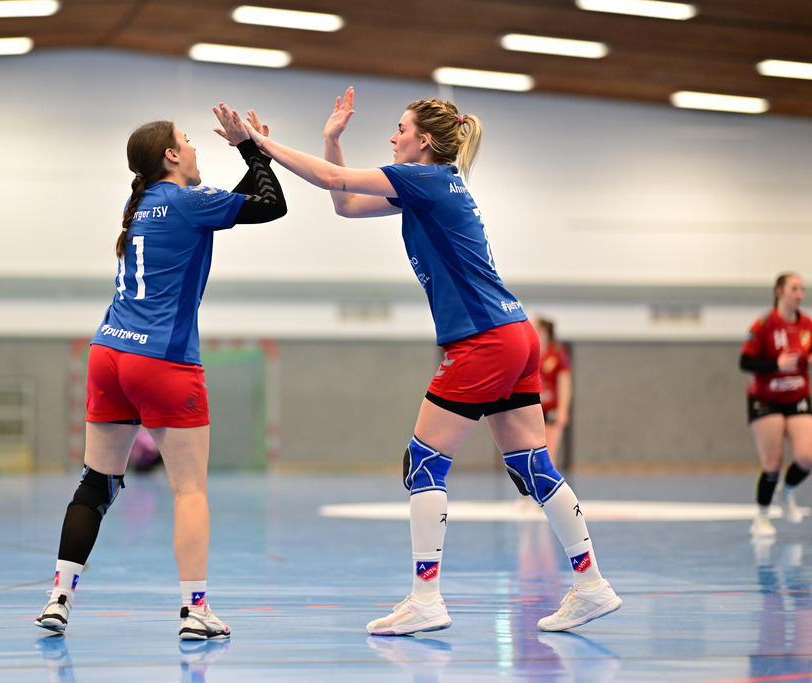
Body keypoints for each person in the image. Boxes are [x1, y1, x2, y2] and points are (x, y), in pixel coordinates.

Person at [233, 87, 620, 634]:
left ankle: (426, 598)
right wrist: (330, 138)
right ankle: (592, 586)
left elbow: (331, 181)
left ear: (426, 142)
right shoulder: (429, 186)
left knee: (424, 460)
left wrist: (261, 144)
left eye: (400, 129)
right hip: (514, 332)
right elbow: (344, 203)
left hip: (484, 339)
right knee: (531, 465)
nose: (392, 137)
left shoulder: (427, 179)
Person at [34, 104, 286, 640]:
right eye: (189, 140)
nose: (196, 148)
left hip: (108, 355)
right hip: (163, 360)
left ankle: (58, 597)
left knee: (96, 484)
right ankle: (195, 609)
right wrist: (252, 148)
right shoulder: (191, 203)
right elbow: (272, 205)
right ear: (171, 155)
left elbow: (238, 201)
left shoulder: (140, 201)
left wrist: (255, 154)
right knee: (189, 490)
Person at [740, 272, 812, 538]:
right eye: (794, 288)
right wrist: (776, 365)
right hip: (765, 398)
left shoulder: (807, 324)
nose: (799, 293)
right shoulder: (763, 324)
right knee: (772, 462)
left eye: (802, 289)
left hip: (797, 396)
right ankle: (761, 517)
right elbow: (745, 363)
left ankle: (788, 491)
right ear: (779, 291)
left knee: (807, 457)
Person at [533, 316, 573, 465]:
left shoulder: (556, 352)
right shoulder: (529, 350)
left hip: (551, 407)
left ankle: (550, 486)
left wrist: (563, 409)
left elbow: (564, 382)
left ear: (543, 330)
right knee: (533, 452)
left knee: (548, 453)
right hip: (533, 408)